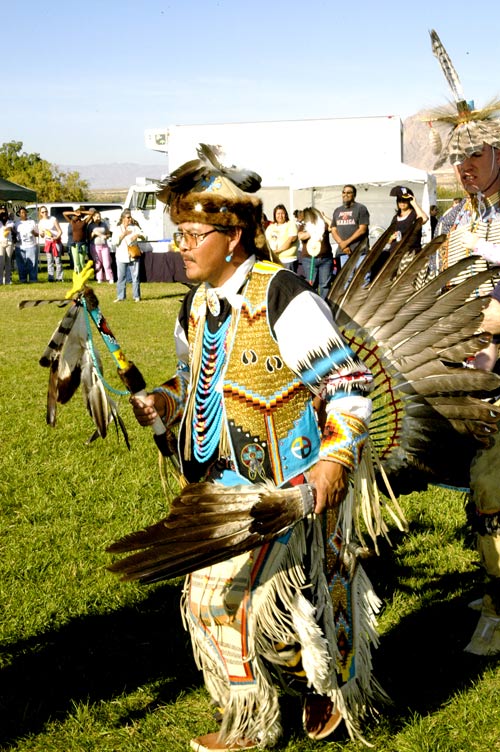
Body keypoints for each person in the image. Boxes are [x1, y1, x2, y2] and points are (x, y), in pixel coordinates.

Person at [130, 145, 381, 751]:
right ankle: (283, 699)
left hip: (287, 487)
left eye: (193, 234)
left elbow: (347, 383)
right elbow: (194, 379)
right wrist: (165, 400)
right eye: (180, 234)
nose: (181, 246)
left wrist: (332, 461)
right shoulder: (195, 305)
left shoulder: (283, 295)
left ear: (233, 237)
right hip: (225, 484)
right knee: (218, 600)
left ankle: (267, 717)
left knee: (230, 600)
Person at [426, 28, 500, 654]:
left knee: (492, 481)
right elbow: (433, 283)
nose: (464, 166)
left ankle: (499, 606)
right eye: (458, 157)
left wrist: (489, 322)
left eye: (475, 155)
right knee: (474, 481)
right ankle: (493, 572)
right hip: (469, 373)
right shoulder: (454, 219)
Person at [370, 186, 428, 279]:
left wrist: (414, 203)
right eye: (399, 200)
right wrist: (391, 238)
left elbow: (424, 219)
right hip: (394, 254)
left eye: (404, 200)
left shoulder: (414, 214)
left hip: (410, 254)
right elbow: (389, 239)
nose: (402, 203)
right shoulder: (395, 218)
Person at [298, 206, 334, 299]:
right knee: (311, 283)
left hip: (325, 259)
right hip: (309, 260)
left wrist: (324, 217)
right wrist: (314, 231)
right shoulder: (304, 226)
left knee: (325, 284)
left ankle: (324, 303)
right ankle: (312, 303)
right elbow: (301, 236)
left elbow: (333, 226)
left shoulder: (323, 225)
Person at [330, 185, 369, 268]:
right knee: (346, 280)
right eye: (343, 192)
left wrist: (346, 243)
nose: (345, 194)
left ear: (354, 195)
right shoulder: (337, 210)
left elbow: (362, 230)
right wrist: (342, 244)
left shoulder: (361, 208)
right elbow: (333, 230)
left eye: (349, 193)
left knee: (362, 278)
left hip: (359, 251)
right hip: (343, 252)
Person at [112, 210, 143, 302]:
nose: (130, 219)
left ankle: (136, 296)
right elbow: (115, 242)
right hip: (121, 256)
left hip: (133, 255)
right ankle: (121, 297)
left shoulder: (135, 227)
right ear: (123, 218)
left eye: (130, 217)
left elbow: (145, 236)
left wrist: (138, 235)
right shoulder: (117, 229)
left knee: (135, 276)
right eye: (128, 217)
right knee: (121, 277)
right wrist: (123, 234)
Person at [264, 204, 298, 271]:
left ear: (286, 214)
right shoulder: (271, 227)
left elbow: (290, 240)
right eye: (278, 213)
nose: (280, 216)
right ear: (275, 215)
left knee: (288, 281)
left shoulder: (291, 225)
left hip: (288, 260)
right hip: (274, 260)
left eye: (282, 213)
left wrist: (277, 251)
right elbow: (266, 241)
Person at [63, 206, 93, 273]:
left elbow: (92, 213)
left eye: (76, 215)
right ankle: (78, 275)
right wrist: (74, 212)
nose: (75, 216)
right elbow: (64, 213)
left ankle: (82, 275)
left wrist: (81, 212)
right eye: (74, 215)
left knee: (82, 262)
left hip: (82, 245)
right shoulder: (72, 222)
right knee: (76, 262)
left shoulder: (84, 222)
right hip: (74, 245)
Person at [38, 206, 64, 282]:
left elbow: (60, 231)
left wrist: (56, 237)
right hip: (48, 242)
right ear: (40, 213)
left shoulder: (53, 219)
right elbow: (42, 236)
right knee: (49, 261)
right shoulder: (40, 222)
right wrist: (42, 234)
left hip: (56, 241)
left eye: (46, 211)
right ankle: (51, 277)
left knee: (58, 260)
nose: (45, 213)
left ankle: (59, 277)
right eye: (43, 212)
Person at [88, 209, 114, 284]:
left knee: (107, 263)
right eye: (96, 217)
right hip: (94, 246)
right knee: (98, 263)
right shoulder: (90, 226)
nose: (98, 218)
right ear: (93, 217)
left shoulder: (103, 224)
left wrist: (106, 236)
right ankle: (99, 278)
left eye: (99, 216)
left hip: (104, 246)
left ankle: (110, 278)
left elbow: (109, 234)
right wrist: (93, 234)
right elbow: (88, 238)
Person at [14, 207, 39, 283]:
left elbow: (37, 234)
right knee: (21, 264)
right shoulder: (16, 224)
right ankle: (22, 279)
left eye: (25, 212)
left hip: (31, 246)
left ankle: (33, 279)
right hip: (20, 246)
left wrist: (33, 233)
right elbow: (14, 235)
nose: (24, 214)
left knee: (32, 264)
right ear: (19, 214)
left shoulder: (32, 222)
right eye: (22, 212)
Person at [0, 204, 15, 285]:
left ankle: (8, 280)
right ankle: (0, 280)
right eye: (1, 210)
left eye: (4, 211)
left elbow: (8, 229)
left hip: (9, 243)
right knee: (1, 262)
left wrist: (6, 223)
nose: (3, 212)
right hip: (0, 243)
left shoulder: (10, 221)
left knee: (8, 262)